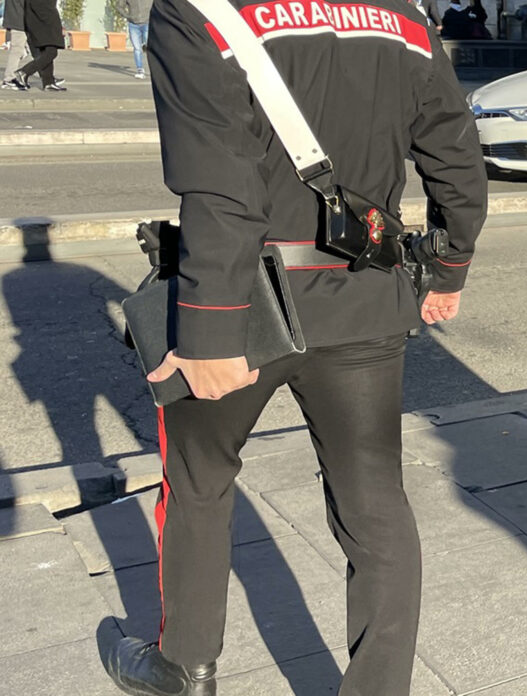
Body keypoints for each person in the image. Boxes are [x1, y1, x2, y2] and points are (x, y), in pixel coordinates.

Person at [99, 0, 486, 691]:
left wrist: (210, 329)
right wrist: (450, 263)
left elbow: (218, 181)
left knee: (196, 479)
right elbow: (456, 149)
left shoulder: (197, 10)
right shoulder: (401, 15)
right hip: (364, 294)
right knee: (374, 503)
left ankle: (183, 665)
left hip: (241, 301)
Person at [5, 0, 64, 91]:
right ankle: (19, 74)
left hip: (32, 20)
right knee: (49, 52)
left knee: (43, 51)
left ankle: (48, 81)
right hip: (28, 21)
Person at [116, 0, 151, 79]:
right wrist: (128, 16)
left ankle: (154, 70)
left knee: (150, 48)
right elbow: (119, 6)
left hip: (147, 23)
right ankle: (140, 70)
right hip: (133, 25)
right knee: (137, 48)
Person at [1, 0, 28, 88]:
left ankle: (10, 77)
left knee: (19, 50)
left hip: (15, 20)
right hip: (18, 21)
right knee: (17, 50)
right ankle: (9, 78)